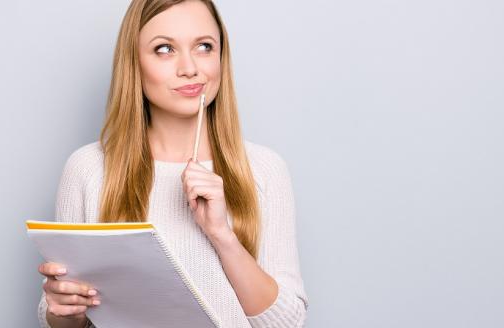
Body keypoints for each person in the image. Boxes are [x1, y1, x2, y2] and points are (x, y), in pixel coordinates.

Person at [36, 0, 308, 327]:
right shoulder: (88, 169)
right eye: (165, 49)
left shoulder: (263, 170)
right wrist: (61, 309)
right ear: (134, 62)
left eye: (204, 47)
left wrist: (222, 235)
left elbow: (287, 323)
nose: (189, 68)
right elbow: (63, 320)